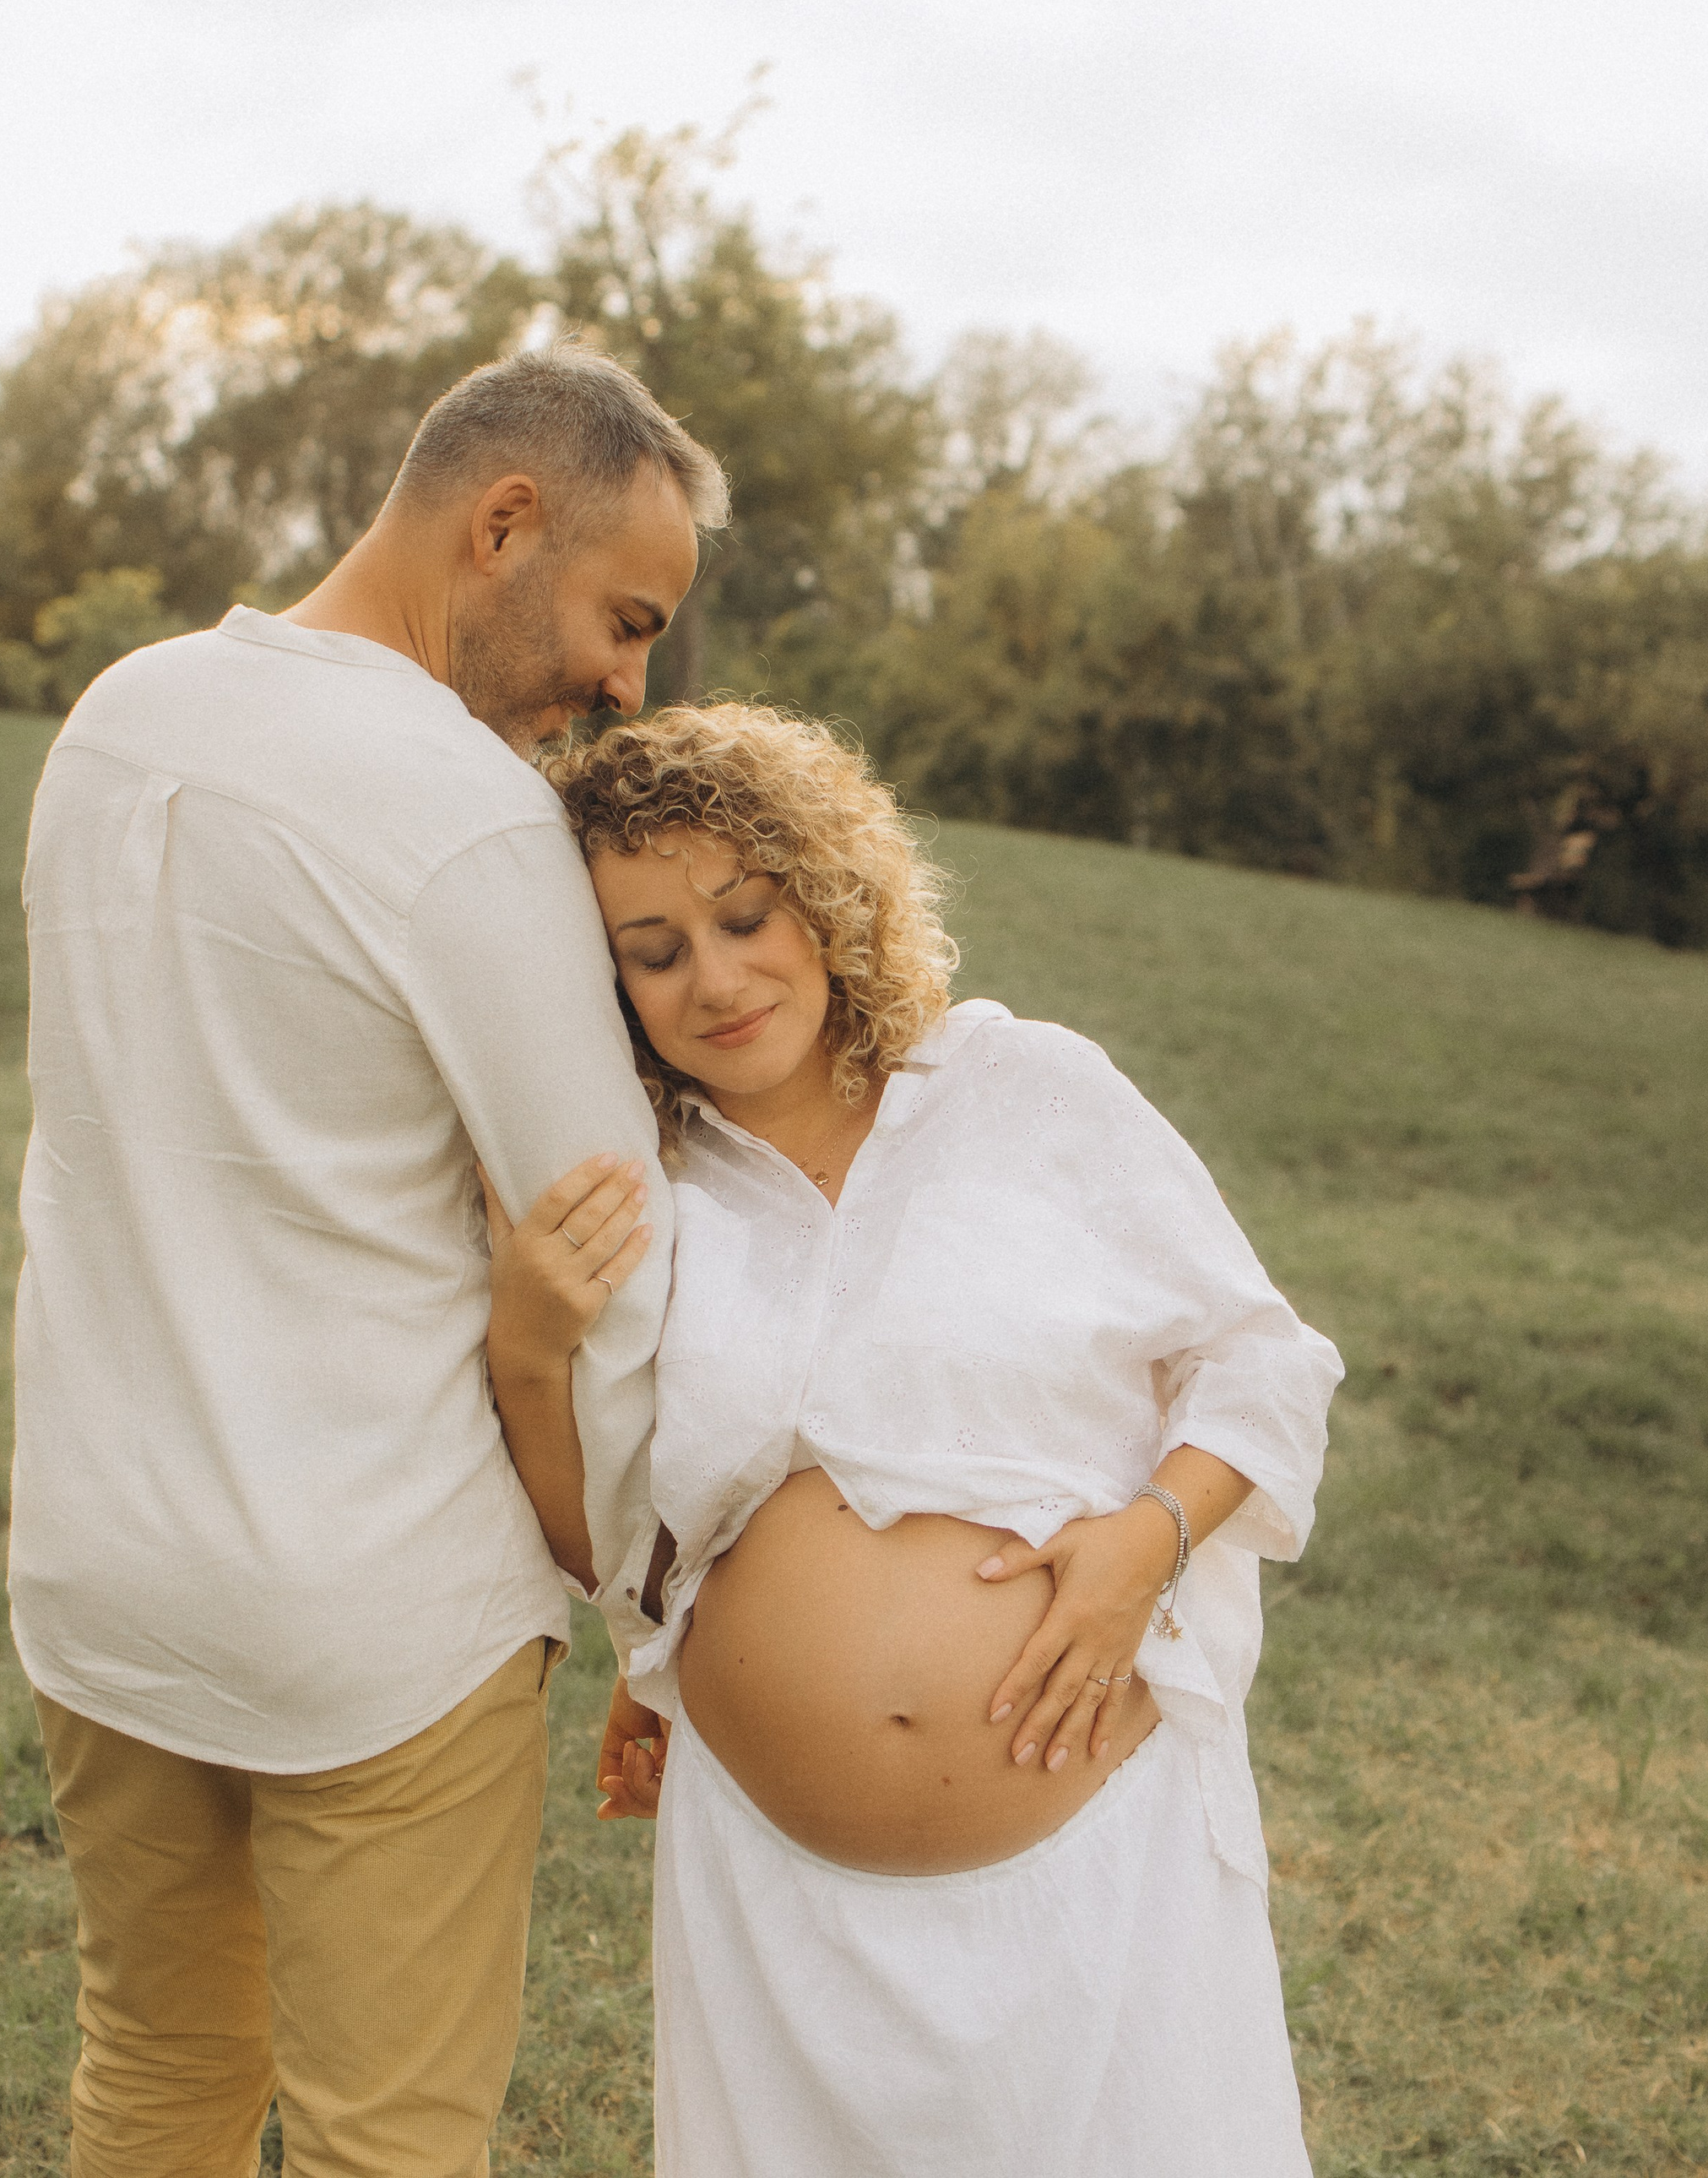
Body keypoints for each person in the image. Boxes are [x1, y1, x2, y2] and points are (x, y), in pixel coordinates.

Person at [10, 347, 728, 2178]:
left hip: (101, 1564)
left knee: (154, 2079)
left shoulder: (120, 713)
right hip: (374, 1622)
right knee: (382, 2143)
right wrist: (660, 1613)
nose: (623, 681)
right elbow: (611, 1249)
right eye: (622, 616)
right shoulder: (465, 819)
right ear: (502, 524)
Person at [485, 701, 1344, 2178]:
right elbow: (609, 1548)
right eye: (655, 950)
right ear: (606, 983)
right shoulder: (647, 1190)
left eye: (747, 914)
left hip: (1091, 1860)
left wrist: (1153, 1540)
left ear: (823, 897)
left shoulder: (1024, 1091)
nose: (720, 978)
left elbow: (1261, 1361)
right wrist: (525, 1345)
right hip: (775, 1898)